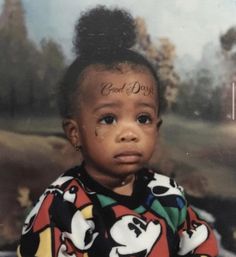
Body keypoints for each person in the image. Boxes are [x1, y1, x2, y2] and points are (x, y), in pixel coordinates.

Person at [17, 6, 218, 257]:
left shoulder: (167, 193)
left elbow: (199, 243)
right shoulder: (62, 206)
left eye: (143, 118)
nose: (129, 133)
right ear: (74, 132)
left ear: (157, 128)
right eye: (109, 119)